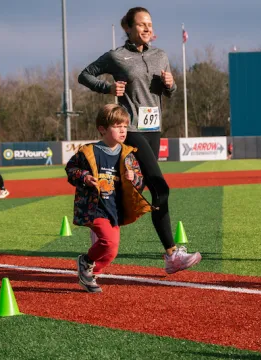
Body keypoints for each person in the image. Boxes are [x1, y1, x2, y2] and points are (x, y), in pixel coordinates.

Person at [78, 7, 201, 274]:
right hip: (130, 128)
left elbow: (170, 92)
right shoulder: (116, 57)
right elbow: (84, 75)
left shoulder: (161, 56)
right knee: (160, 187)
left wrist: (170, 84)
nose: (147, 28)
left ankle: (101, 224)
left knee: (136, 190)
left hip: (153, 129)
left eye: (150, 24)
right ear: (128, 28)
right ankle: (171, 254)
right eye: (142, 24)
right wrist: (107, 88)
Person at [65, 104, 152, 292]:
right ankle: (87, 262)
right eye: (117, 126)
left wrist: (134, 178)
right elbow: (71, 169)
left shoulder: (128, 154)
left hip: (114, 209)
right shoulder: (88, 151)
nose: (122, 130)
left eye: (125, 126)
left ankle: (89, 271)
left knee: (111, 251)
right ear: (102, 129)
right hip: (94, 207)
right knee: (108, 242)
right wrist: (85, 177)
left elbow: (140, 181)